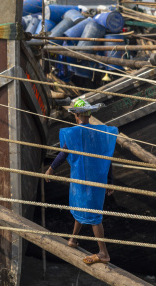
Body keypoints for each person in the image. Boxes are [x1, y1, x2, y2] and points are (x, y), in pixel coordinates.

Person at [45, 98, 118, 265]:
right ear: (89, 114)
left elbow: (63, 154)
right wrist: (110, 181)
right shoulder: (100, 133)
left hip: (79, 180)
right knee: (84, 208)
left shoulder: (72, 134)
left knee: (93, 216)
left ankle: (103, 253)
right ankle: (74, 239)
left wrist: (51, 169)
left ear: (76, 115)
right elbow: (107, 158)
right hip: (96, 180)